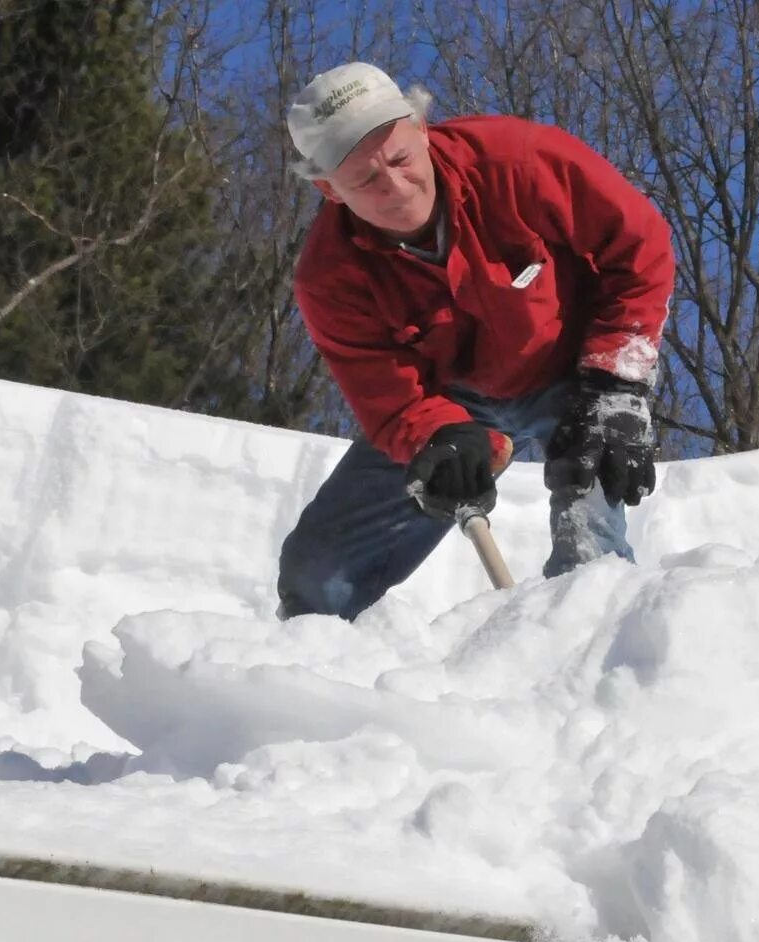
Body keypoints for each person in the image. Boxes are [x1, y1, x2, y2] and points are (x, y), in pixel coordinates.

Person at [276, 62, 676, 621]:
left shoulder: (521, 161)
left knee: (592, 537)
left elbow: (640, 247)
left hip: (572, 370)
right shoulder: (329, 279)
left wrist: (616, 382)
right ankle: (310, 682)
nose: (393, 185)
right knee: (314, 574)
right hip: (449, 403)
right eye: (364, 179)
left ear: (421, 128)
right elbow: (389, 399)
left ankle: (590, 650)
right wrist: (435, 436)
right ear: (329, 189)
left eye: (399, 159)